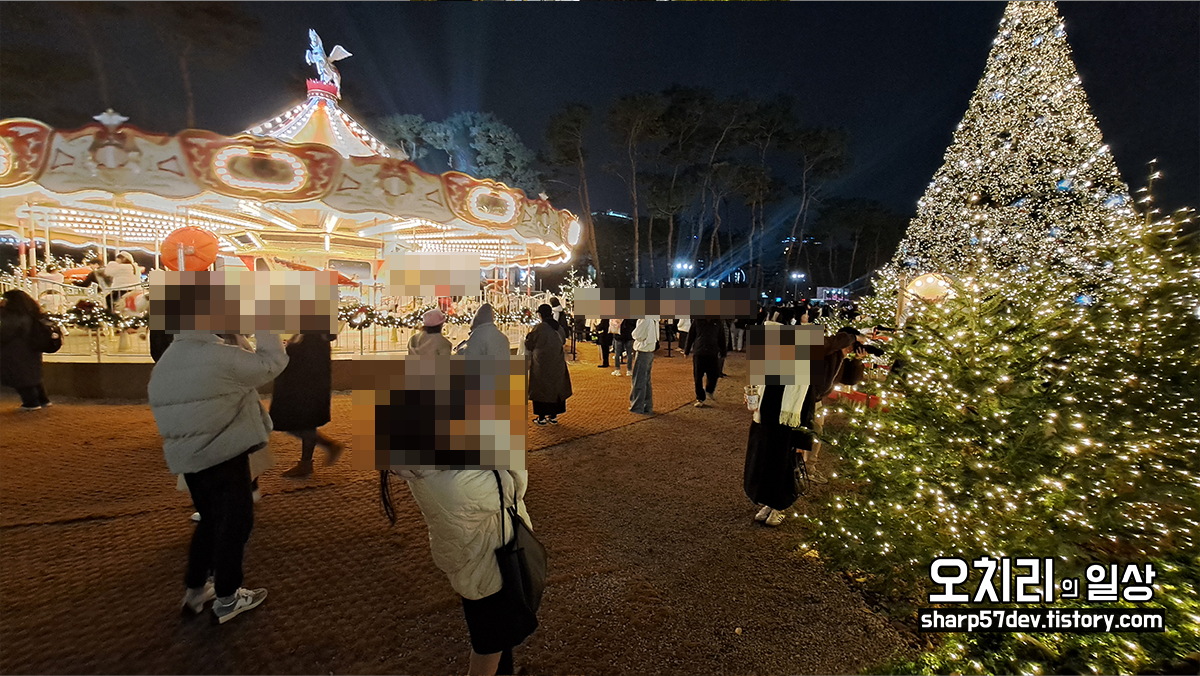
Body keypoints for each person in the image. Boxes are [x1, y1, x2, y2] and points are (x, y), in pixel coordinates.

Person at [148, 329, 288, 624]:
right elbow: (272, 363)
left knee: (210, 521)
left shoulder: (167, 361)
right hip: (224, 452)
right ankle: (228, 597)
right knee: (235, 524)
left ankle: (196, 589)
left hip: (190, 458)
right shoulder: (220, 356)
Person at [381, 468, 533, 676]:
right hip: (488, 571)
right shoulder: (453, 482)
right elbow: (515, 485)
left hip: (479, 556)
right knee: (489, 649)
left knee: (500, 634)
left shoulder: (428, 465)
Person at [743, 309, 797, 527]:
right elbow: (756, 381)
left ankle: (780, 506)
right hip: (764, 416)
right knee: (762, 459)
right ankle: (767, 501)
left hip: (785, 420)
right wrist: (751, 396)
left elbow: (804, 396)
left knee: (780, 462)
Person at [272, 333, 342, 479]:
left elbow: (306, 353)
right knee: (307, 421)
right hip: (308, 381)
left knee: (288, 420)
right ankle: (306, 463)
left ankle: (326, 446)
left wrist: (288, 348)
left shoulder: (314, 334)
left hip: (302, 382)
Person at [0, 289, 56, 410]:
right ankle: (43, 400)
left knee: (21, 378)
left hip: (14, 352)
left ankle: (31, 403)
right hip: (31, 351)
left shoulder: (13, 316)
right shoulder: (32, 313)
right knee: (33, 377)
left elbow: (4, 333)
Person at [525, 304, 572, 426]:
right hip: (557, 362)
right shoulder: (558, 327)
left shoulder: (539, 328)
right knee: (556, 388)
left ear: (540, 315)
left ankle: (541, 418)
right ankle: (553, 416)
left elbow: (529, 343)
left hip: (542, 364)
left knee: (542, 389)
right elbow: (563, 341)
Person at [685, 317, 726, 408]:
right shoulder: (697, 320)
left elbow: (721, 337)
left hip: (713, 352)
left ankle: (709, 389)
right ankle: (700, 398)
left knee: (714, 374)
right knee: (698, 376)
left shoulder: (718, 322)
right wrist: (686, 350)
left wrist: (723, 352)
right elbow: (691, 335)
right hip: (699, 352)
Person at [628, 314, 658, 415]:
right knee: (646, 381)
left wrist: (634, 334)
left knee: (638, 380)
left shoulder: (645, 319)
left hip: (643, 351)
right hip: (649, 351)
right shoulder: (654, 319)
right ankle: (647, 406)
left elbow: (637, 335)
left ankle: (637, 406)